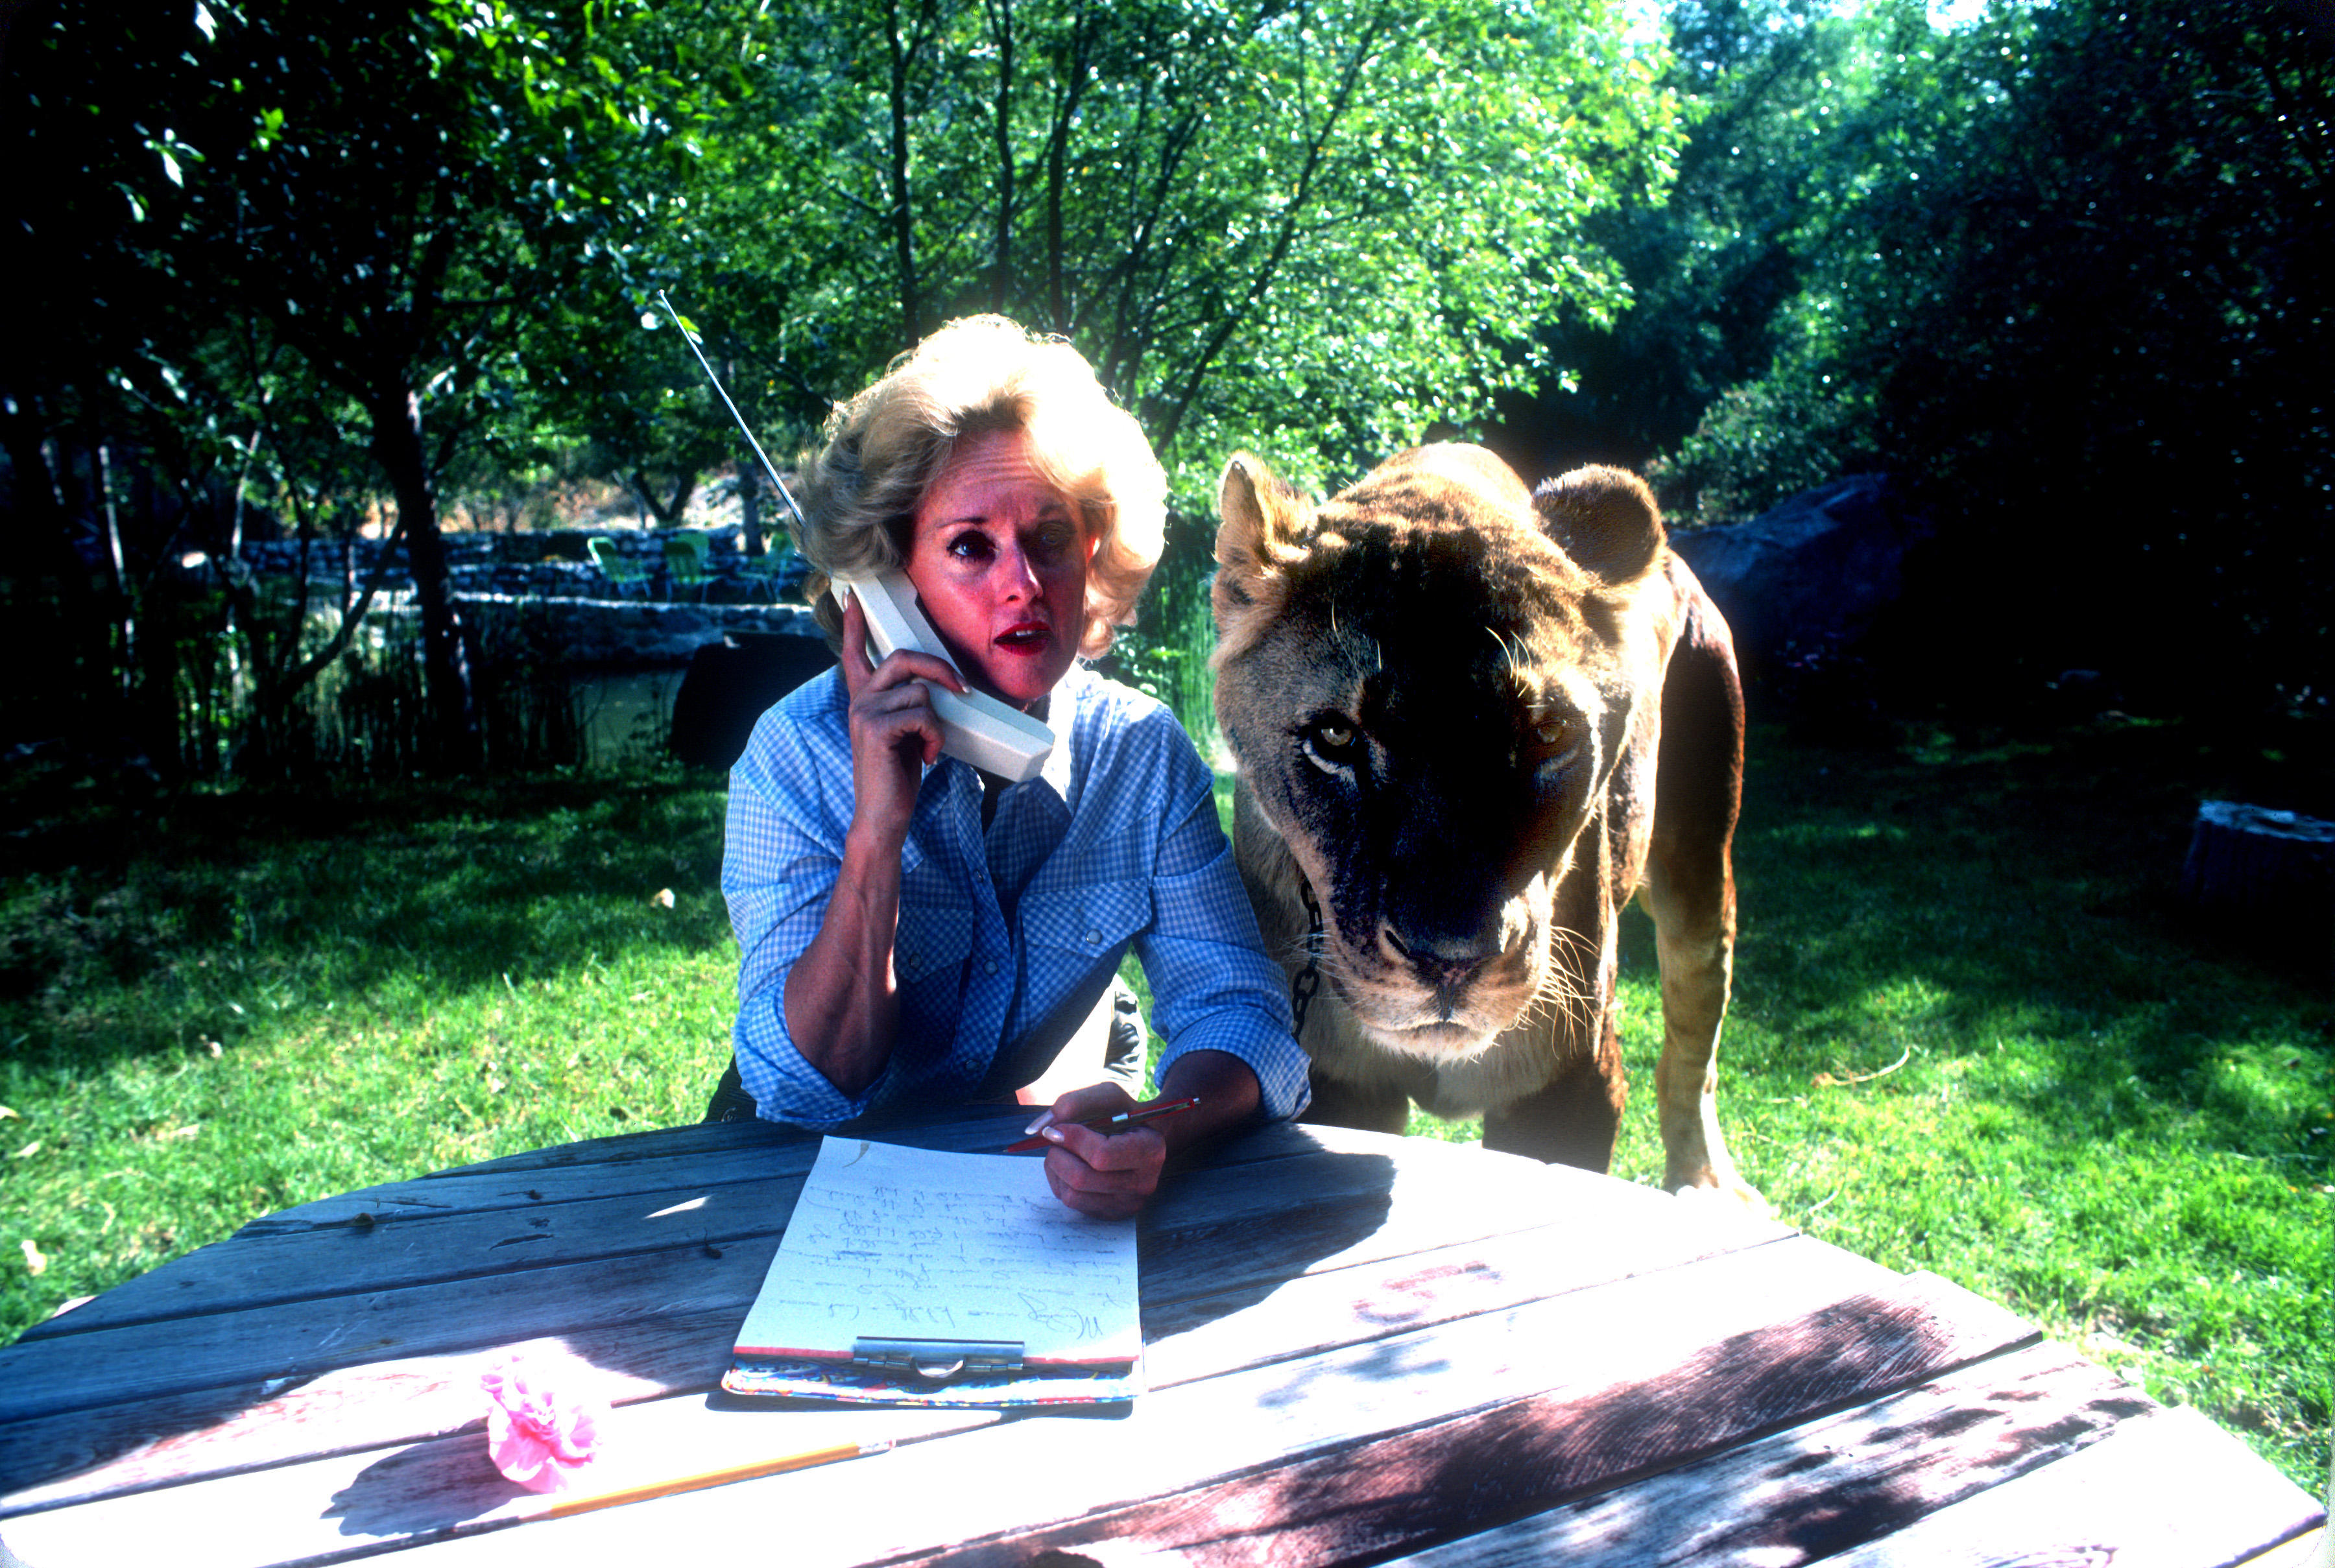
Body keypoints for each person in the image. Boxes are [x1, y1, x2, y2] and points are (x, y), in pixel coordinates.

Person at [712, 315, 1310, 1218]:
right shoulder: (793, 758)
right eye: (970, 546)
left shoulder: (1141, 758)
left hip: (1015, 1186)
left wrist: (1162, 1124)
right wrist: (880, 827)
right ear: (888, 584)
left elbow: (1242, 1014)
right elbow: (810, 1085)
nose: (1025, 582)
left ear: (1095, 555)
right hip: (789, 1178)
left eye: (1051, 539)